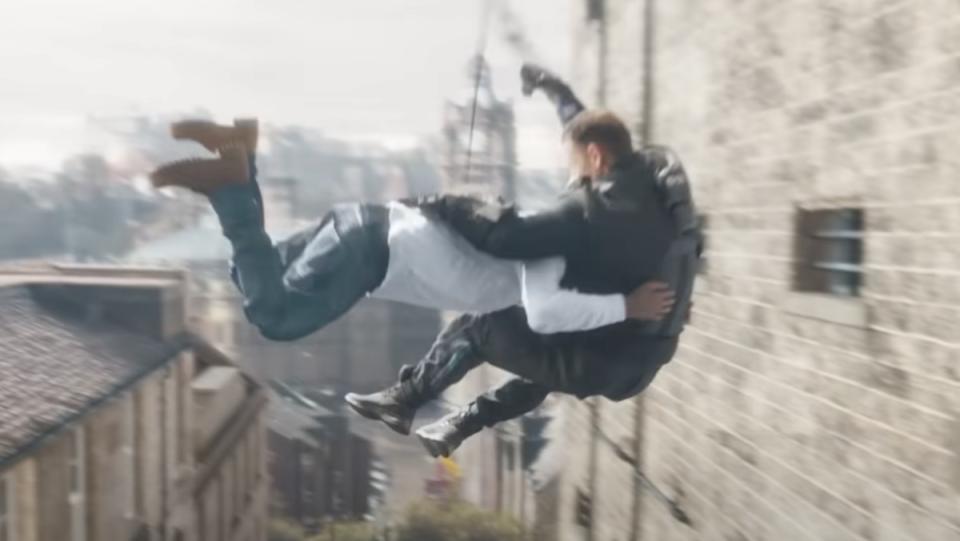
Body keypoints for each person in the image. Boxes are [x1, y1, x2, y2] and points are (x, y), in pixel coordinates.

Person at [347, 64, 702, 458]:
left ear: (596, 159)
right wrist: (555, 90)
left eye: (573, 163)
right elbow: (587, 130)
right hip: (638, 357)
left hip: (609, 359)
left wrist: (435, 205)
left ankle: (406, 399)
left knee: (481, 325)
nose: (572, 174)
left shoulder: (588, 212)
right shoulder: (653, 189)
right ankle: (461, 423)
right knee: (548, 361)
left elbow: (506, 238)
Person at [149, 117, 675, 365]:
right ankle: (232, 185)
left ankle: (240, 156)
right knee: (275, 318)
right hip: (375, 251)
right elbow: (545, 314)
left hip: (370, 223)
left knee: (248, 275)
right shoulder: (564, 237)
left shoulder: (563, 219)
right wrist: (624, 306)